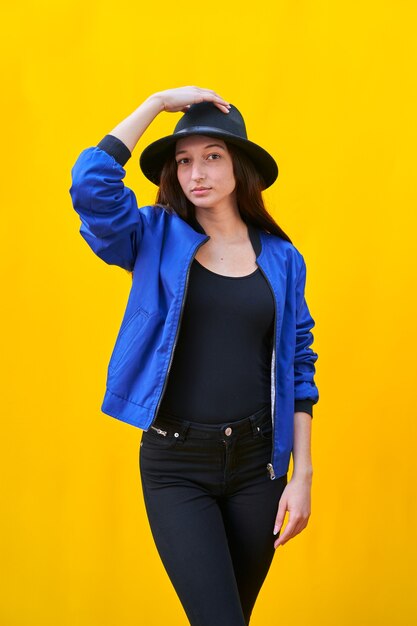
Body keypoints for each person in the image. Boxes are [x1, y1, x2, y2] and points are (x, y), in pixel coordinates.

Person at [69, 86, 319, 626]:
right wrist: (156, 104)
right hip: (176, 465)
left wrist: (302, 477)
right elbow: (90, 186)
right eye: (184, 161)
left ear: (239, 168)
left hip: (260, 468)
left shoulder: (282, 257)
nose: (196, 173)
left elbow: (300, 366)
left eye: (212, 157)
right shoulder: (151, 235)